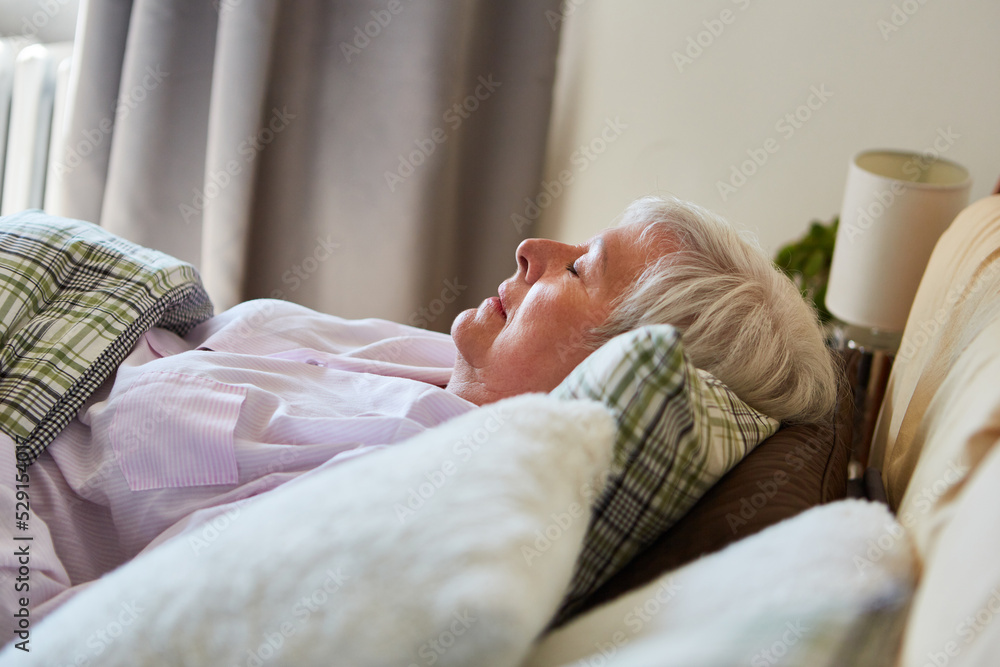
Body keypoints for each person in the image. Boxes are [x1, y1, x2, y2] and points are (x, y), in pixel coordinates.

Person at [1, 195, 835, 638]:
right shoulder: (457, 367)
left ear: (611, 361)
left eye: (579, 268)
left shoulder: (395, 489)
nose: (532, 250)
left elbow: (43, 630)